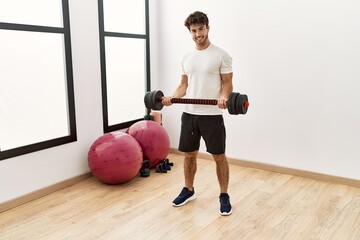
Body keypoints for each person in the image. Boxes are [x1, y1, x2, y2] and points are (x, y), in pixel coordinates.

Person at [162, 11, 233, 216]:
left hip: (211, 114)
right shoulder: (186, 57)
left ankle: (223, 194)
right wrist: (171, 97)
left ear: (208, 28)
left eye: (201, 29)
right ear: (190, 32)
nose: (197, 34)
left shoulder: (221, 55)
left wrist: (224, 98)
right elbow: (183, 85)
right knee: (189, 154)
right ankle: (189, 189)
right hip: (189, 114)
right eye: (193, 30)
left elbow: (227, 84)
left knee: (218, 156)